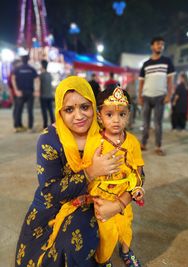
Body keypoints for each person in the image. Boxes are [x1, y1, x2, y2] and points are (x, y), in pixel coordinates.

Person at [15, 76, 133, 267]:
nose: (79, 116)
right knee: (59, 249)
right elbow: (50, 192)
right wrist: (90, 173)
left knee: (85, 236)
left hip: (99, 201)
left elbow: (136, 176)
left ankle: (117, 249)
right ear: (60, 112)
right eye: (69, 109)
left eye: (84, 107)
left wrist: (119, 205)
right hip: (54, 207)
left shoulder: (109, 132)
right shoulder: (49, 140)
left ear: (94, 106)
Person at [87, 87, 145, 267]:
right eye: (110, 114)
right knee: (107, 233)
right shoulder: (94, 141)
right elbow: (87, 171)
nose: (116, 120)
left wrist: (137, 188)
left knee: (126, 227)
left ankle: (126, 251)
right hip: (102, 197)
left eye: (122, 114)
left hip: (123, 195)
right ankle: (103, 260)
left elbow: (139, 170)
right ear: (99, 116)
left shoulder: (133, 142)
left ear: (128, 115)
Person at [138, 36, 175, 156]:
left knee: (158, 123)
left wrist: (169, 95)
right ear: (152, 46)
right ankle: (143, 144)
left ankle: (158, 146)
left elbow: (170, 81)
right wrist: (139, 96)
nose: (160, 46)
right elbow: (141, 82)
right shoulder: (146, 64)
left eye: (162, 44)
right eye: (158, 44)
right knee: (145, 123)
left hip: (160, 96)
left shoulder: (167, 61)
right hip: (146, 96)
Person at [12, 54, 39, 132]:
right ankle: (30, 127)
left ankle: (17, 127)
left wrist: (16, 90)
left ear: (22, 60)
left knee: (18, 110)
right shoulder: (32, 69)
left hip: (20, 92)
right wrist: (36, 90)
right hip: (30, 92)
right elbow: (37, 80)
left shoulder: (17, 69)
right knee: (30, 110)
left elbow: (13, 79)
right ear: (28, 60)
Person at [7, 59, 23, 132]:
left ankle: (19, 124)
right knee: (17, 109)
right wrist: (12, 95)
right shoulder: (13, 73)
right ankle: (16, 125)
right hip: (15, 94)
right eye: (19, 64)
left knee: (19, 109)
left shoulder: (15, 72)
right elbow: (10, 86)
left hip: (17, 93)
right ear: (15, 65)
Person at [39, 59, 55, 129]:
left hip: (43, 96)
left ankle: (45, 125)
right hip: (50, 95)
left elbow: (39, 85)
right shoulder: (49, 75)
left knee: (44, 111)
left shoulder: (41, 75)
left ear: (42, 66)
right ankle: (53, 124)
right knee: (51, 110)